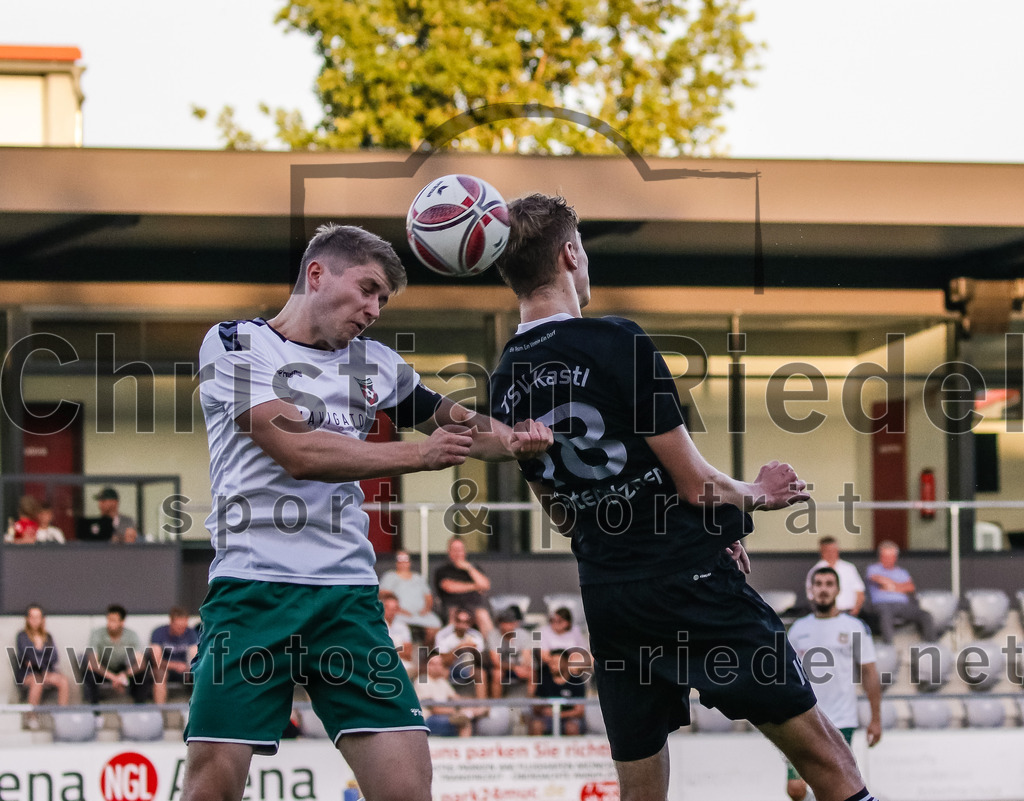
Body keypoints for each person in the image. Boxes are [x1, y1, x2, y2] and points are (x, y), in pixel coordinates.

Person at [488, 193, 879, 801]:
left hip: (611, 599)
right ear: (570, 254)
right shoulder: (616, 340)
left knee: (640, 794)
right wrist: (759, 494)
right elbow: (697, 484)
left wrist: (537, 469)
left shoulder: (505, 377)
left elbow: (563, 517)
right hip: (689, 585)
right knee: (832, 766)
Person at [182, 223, 551, 801]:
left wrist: (514, 437)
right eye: (368, 289)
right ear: (317, 273)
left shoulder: (376, 363)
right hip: (253, 589)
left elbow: (454, 424)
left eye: (383, 299)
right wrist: (420, 454)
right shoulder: (235, 342)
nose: (374, 308)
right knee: (213, 785)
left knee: (407, 786)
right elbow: (298, 450)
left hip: (348, 597)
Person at [786, 567, 883, 801]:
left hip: (841, 721)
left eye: (829, 584)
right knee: (795, 788)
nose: (823, 589)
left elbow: (869, 672)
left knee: (835, 787)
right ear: (811, 590)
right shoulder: (799, 629)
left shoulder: (853, 627)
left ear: (838, 590)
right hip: (804, 720)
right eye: (818, 584)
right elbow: (788, 674)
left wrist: (876, 719)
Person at [864, 540, 937, 644]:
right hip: (881, 605)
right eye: (884, 556)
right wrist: (900, 587)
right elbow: (878, 580)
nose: (887, 559)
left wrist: (892, 586)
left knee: (925, 615)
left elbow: (911, 587)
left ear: (895, 557)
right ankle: (889, 646)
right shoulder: (873, 569)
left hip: (903, 605)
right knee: (886, 615)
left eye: (890, 556)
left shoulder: (902, 572)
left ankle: (930, 645)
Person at [83, 603, 149, 704]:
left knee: (142, 674)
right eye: (108, 620)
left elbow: (141, 663)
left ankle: (139, 709)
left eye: (113, 621)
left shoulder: (132, 635)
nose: (109, 624)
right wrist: (115, 678)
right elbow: (93, 663)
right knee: (90, 674)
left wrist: (125, 675)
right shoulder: (97, 634)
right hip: (104, 669)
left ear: (122, 622)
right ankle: (95, 713)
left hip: (123, 669)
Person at [433, 535, 494, 636]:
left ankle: (492, 650)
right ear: (449, 551)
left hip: (474, 606)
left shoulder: (474, 568)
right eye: (454, 549)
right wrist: (475, 586)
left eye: (460, 549)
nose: (458, 553)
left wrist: (469, 568)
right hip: (452, 606)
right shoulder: (442, 570)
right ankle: (450, 649)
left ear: (465, 551)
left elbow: (485, 585)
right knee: (454, 617)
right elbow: (450, 587)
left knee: (483, 615)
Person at [379, 549, 443, 645]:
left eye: (406, 559)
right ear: (396, 562)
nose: (403, 562)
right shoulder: (390, 576)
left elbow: (428, 597)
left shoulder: (418, 578)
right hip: (398, 614)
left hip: (420, 615)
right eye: (400, 559)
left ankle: (424, 656)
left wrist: (426, 609)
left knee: (435, 627)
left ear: (410, 562)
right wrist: (399, 609)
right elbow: (384, 595)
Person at [14, 604, 70, 711]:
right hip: (28, 674)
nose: (35, 620)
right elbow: (26, 657)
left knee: (63, 681)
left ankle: (62, 715)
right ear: (27, 619)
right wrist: (41, 664)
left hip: (46, 673)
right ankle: (32, 717)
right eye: (32, 617)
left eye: (37, 617)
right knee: (37, 681)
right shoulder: (22, 636)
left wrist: (41, 666)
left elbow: (54, 657)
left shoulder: (48, 637)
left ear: (42, 619)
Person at [525, 649, 589, 736]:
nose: (552, 666)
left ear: (566, 662)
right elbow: (536, 706)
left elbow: (579, 711)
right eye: (551, 663)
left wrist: (559, 714)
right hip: (548, 718)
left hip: (568, 718)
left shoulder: (577, 681)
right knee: (537, 725)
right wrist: (541, 708)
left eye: (556, 662)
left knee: (571, 727)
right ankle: (539, 749)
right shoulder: (544, 680)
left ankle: (571, 749)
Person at [414, 654, 477, 737]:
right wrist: (458, 712)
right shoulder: (422, 680)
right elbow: (434, 709)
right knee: (463, 721)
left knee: (470, 718)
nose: (437, 667)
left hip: (444, 715)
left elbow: (457, 699)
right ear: (427, 666)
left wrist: (471, 707)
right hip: (428, 718)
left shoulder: (442, 681)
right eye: (433, 664)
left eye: (439, 664)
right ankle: (463, 748)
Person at [434, 608, 489, 699]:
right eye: (459, 621)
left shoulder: (476, 635)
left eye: (466, 622)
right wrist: (458, 649)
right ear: (454, 621)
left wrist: (474, 652)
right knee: (441, 671)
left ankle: (481, 705)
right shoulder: (443, 635)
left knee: (481, 673)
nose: (462, 625)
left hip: (467, 668)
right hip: (449, 668)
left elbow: (482, 662)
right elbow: (443, 661)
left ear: (470, 623)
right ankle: (442, 703)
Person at [149, 606, 200, 705]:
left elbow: (195, 657)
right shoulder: (159, 633)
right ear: (171, 622)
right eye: (178, 627)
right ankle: (160, 712)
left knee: (198, 674)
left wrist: (189, 668)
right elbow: (156, 660)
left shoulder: (191, 633)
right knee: (160, 676)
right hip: (164, 667)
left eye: (184, 626)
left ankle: (197, 710)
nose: (181, 630)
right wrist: (175, 665)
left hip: (183, 668)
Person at [805, 536, 864, 615]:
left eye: (834, 550)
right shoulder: (815, 571)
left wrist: (855, 610)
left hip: (848, 612)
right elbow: (811, 595)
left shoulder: (849, 568)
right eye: (828, 551)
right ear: (821, 551)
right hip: (825, 615)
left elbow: (859, 591)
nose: (831, 553)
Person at [486, 607, 534, 697]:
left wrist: (522, 668)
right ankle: (497, 707)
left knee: (532, 673)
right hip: (504, 668)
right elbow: (496, 662)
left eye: (510, 623)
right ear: (499, 624)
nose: (507, 626)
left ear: (515, 623)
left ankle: (530, 705)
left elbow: (527, 658)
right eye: (504, 623)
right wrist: (515, 668)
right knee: (497, 674)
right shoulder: (493, 635)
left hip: (519, 667)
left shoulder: (524, 635)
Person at [380, 590, 415, 676]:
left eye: (394, 608)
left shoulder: (402, 626)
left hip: (402, 663)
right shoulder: (377, 625)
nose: (391, 611)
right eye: (388, 608)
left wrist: (390, 650)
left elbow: (408, 653)